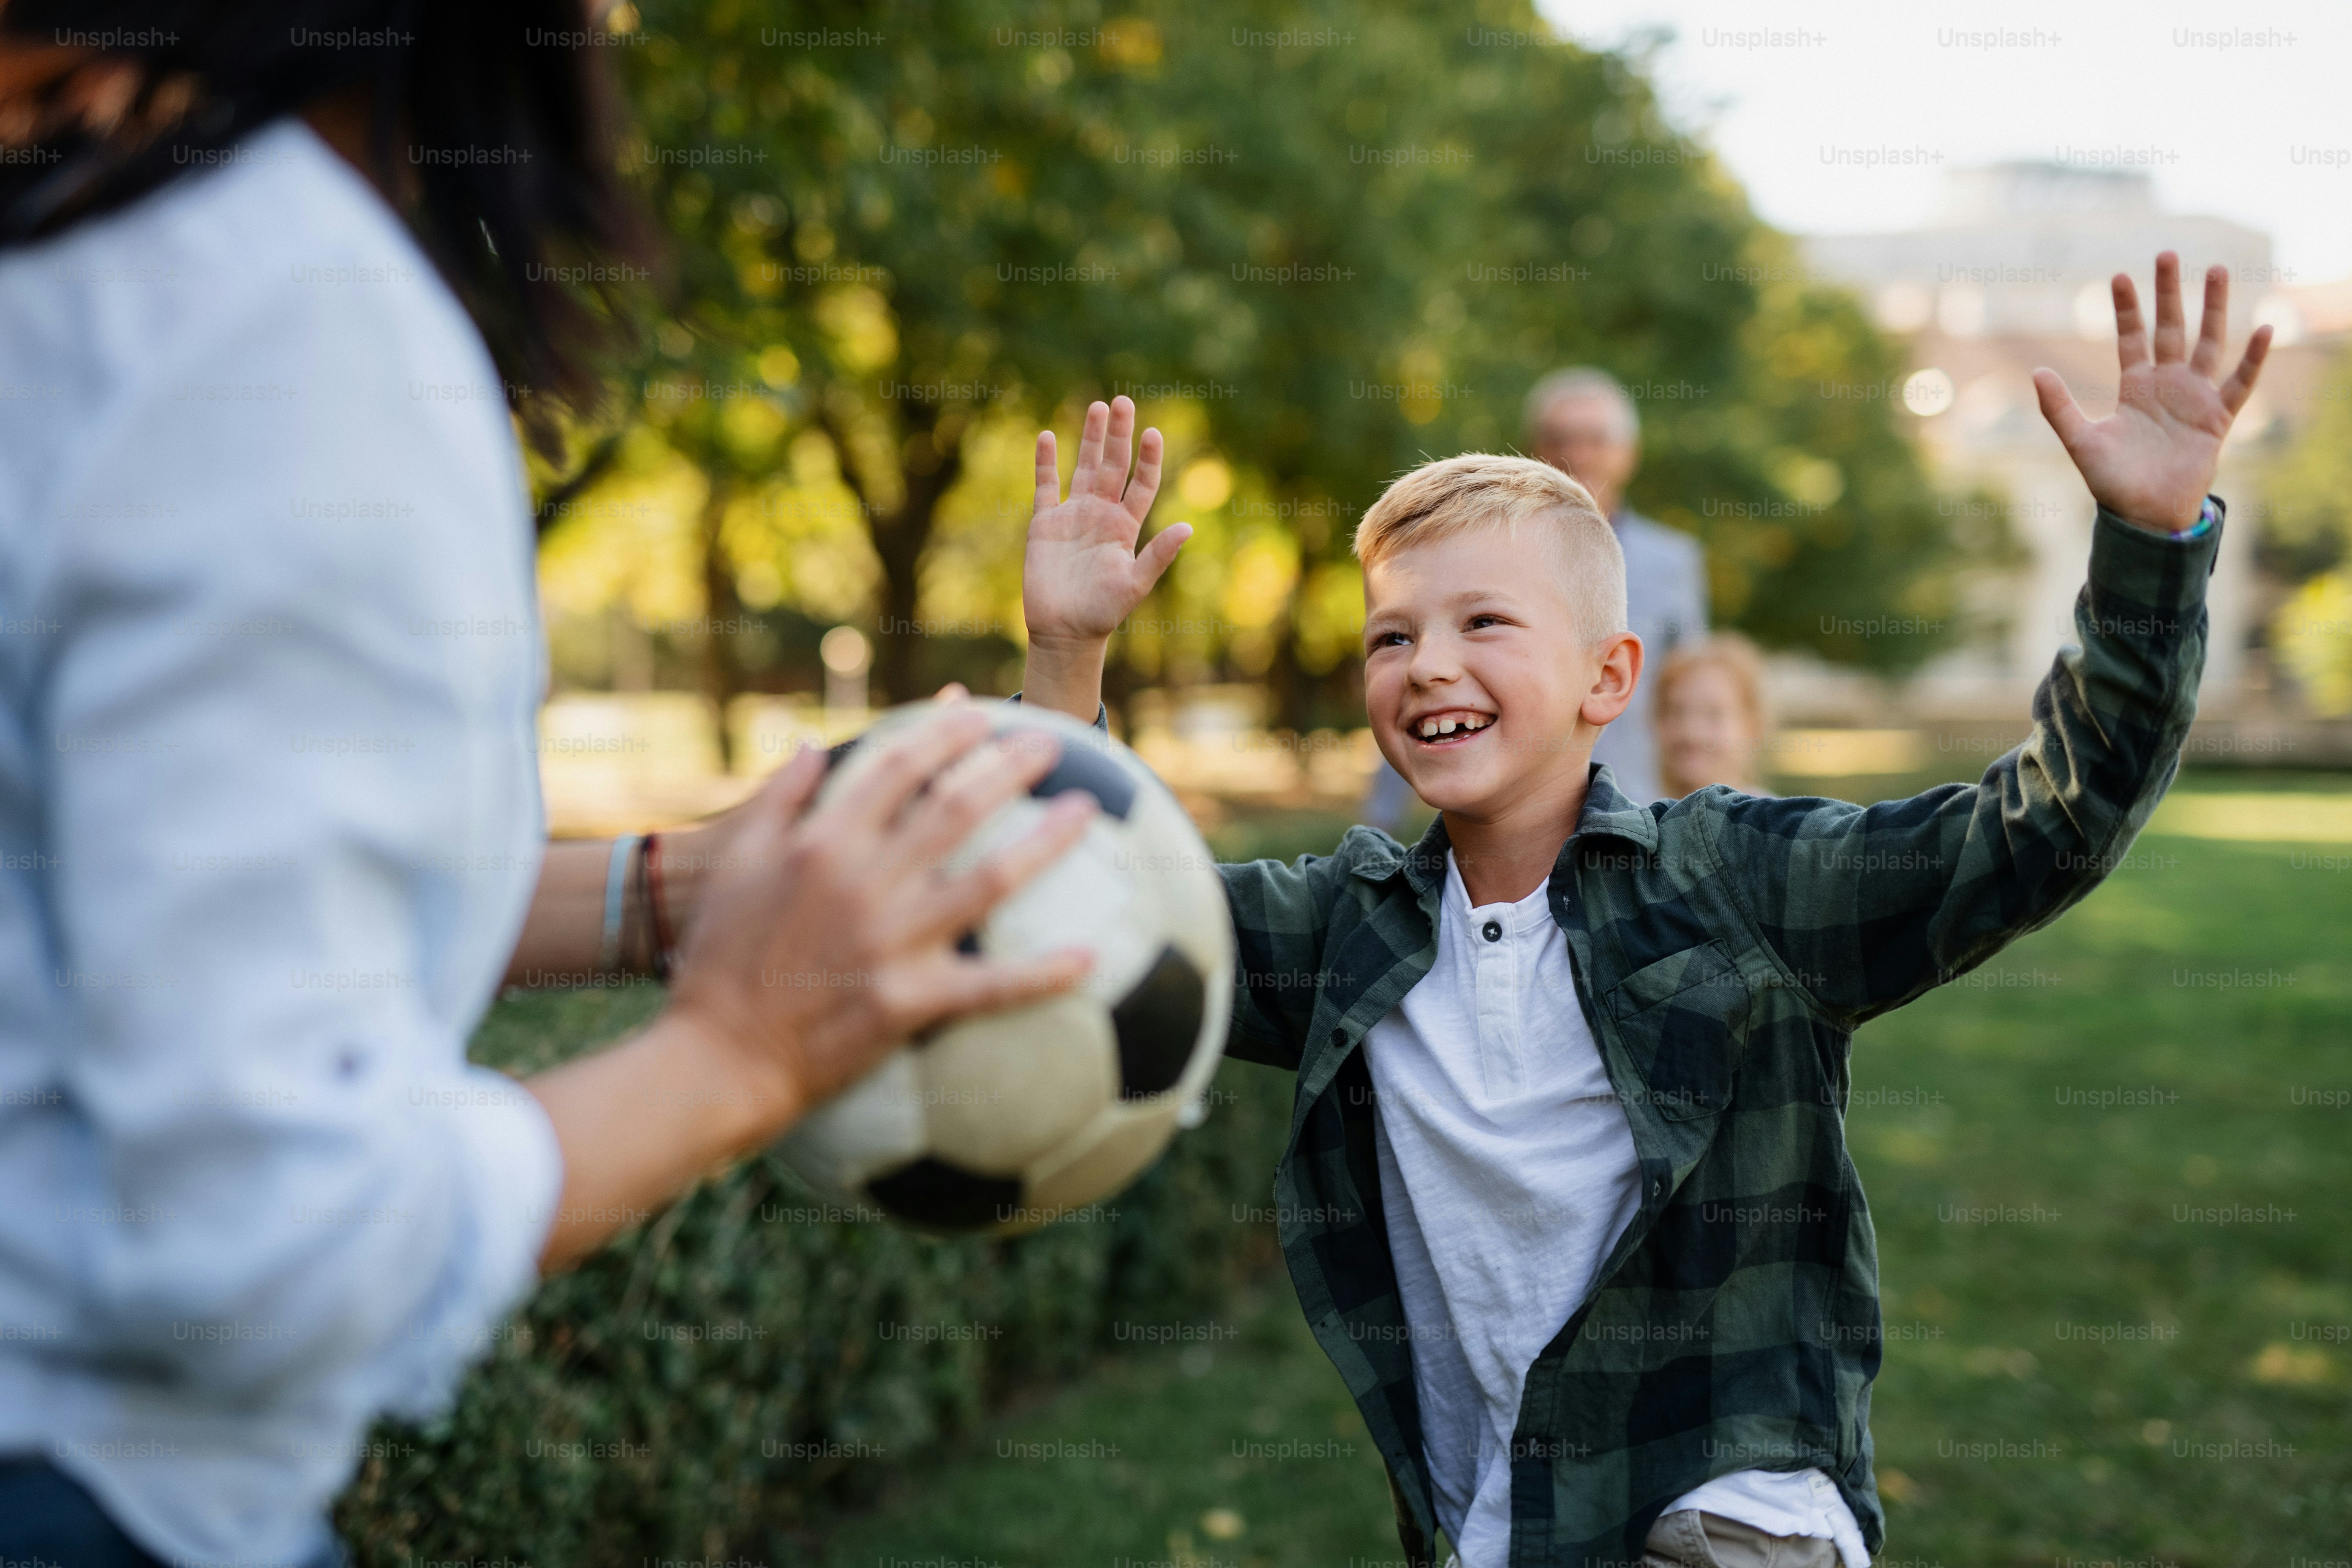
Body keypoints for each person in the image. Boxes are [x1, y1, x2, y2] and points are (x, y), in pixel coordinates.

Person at [0, 9, 1092, 1568]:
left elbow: (118, 906)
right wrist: (739, 1049)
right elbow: (263, 1253)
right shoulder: (264, 318)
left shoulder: (75, 247)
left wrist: (660, 891)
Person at [1020, 254, 2268, 1567]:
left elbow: (2042, 826)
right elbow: (1111, 915)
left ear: (1608, 674)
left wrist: (2146, 548)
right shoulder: (1348, 923)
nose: (1426, 661)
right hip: (1493, 1531)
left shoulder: (1735, 879)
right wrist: (1064, 656)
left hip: (1732, 1507)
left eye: (1481, 621)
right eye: (1390, 636)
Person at [1526, 367, 1709, 802]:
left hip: (1639, 803)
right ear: (1535, 450)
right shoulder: (1498, 552)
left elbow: (1693, 691)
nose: (1577, 455)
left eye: (1595, 439)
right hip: (1519, 810)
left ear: (1629, 453)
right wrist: (1384, 813)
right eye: (1559, 439)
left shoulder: (1675, 561)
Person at [1652, 634, 1773, 798]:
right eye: (1677, 712)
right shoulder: (1647, 818)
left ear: (1751, 727)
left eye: (1714, 714)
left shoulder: (1771, 821)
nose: (1691, 733)